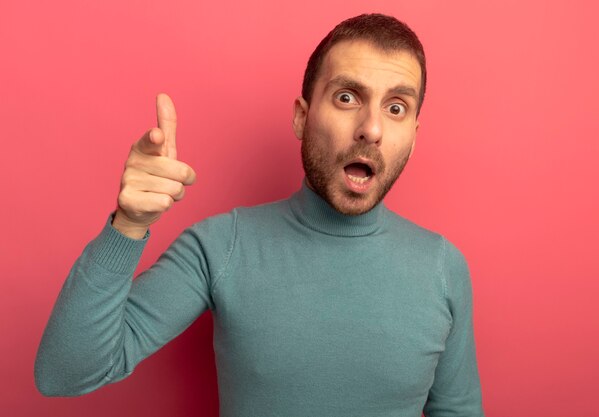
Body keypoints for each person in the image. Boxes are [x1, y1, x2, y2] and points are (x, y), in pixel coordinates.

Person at [35, 13, 485, 416]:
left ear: (413, 134)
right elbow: (65, 373)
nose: (372, 127)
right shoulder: (220, 247)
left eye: (396, 108)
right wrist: (127, 227)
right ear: (301, 118)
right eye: (347, 97)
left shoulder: (442, 267)